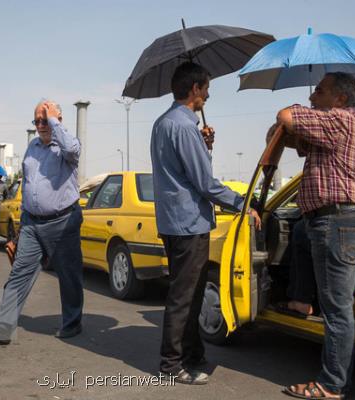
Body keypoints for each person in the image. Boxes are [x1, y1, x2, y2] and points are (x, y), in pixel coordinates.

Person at [150, 62, 261, 385]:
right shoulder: (183, 126)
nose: (208, 96)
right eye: (207, 89)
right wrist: (243, 204)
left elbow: (186, 172)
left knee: (191, 293)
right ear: (195, 89)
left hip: (174, 222)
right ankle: (171, 364)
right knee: (184, 296)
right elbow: (205, 183)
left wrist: (205, 146)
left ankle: (192, 355)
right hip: (188, 223)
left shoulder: (164, 122)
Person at [276, 72, 355, 399]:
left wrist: (296, 116)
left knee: (336, 309)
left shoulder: (339, 122)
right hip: (333, 220)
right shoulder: (341, 127)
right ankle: (300, 300)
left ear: (340, 99)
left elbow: (285, 117)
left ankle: (331, 384)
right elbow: (292, 137)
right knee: (302, 233)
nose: (312, 96)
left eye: (319, 91)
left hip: (337, 221)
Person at [0, 100, 84, 342]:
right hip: (32, 224)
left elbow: (71, 149)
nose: (41, 125)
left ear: (58, 119)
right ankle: (3, 326)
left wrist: (54, 120)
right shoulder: (32, 147)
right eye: (37, 121)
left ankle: (72, 322)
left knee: (69, 275)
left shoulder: (68, 146)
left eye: (45, 120)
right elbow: (27, 184)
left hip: (63, 222)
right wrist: (24, 221)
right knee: (19, 272)